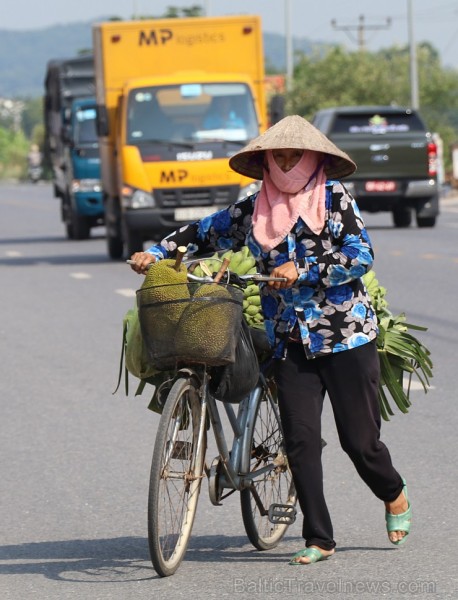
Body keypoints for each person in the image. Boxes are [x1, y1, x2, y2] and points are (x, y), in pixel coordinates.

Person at [130, 115, 412, 565]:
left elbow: (361, 256)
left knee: (360, 442)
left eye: (292, 155)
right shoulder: (254, 206)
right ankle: (319, 537)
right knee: (300, 441)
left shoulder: (334, 199)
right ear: (264, 161)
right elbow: (206, 233)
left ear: (313, 158)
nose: (284, 163)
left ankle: (393, 492)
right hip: (289, 339)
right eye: (276, 156)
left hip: (344, 336)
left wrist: (305, 270)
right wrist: (158, 252)